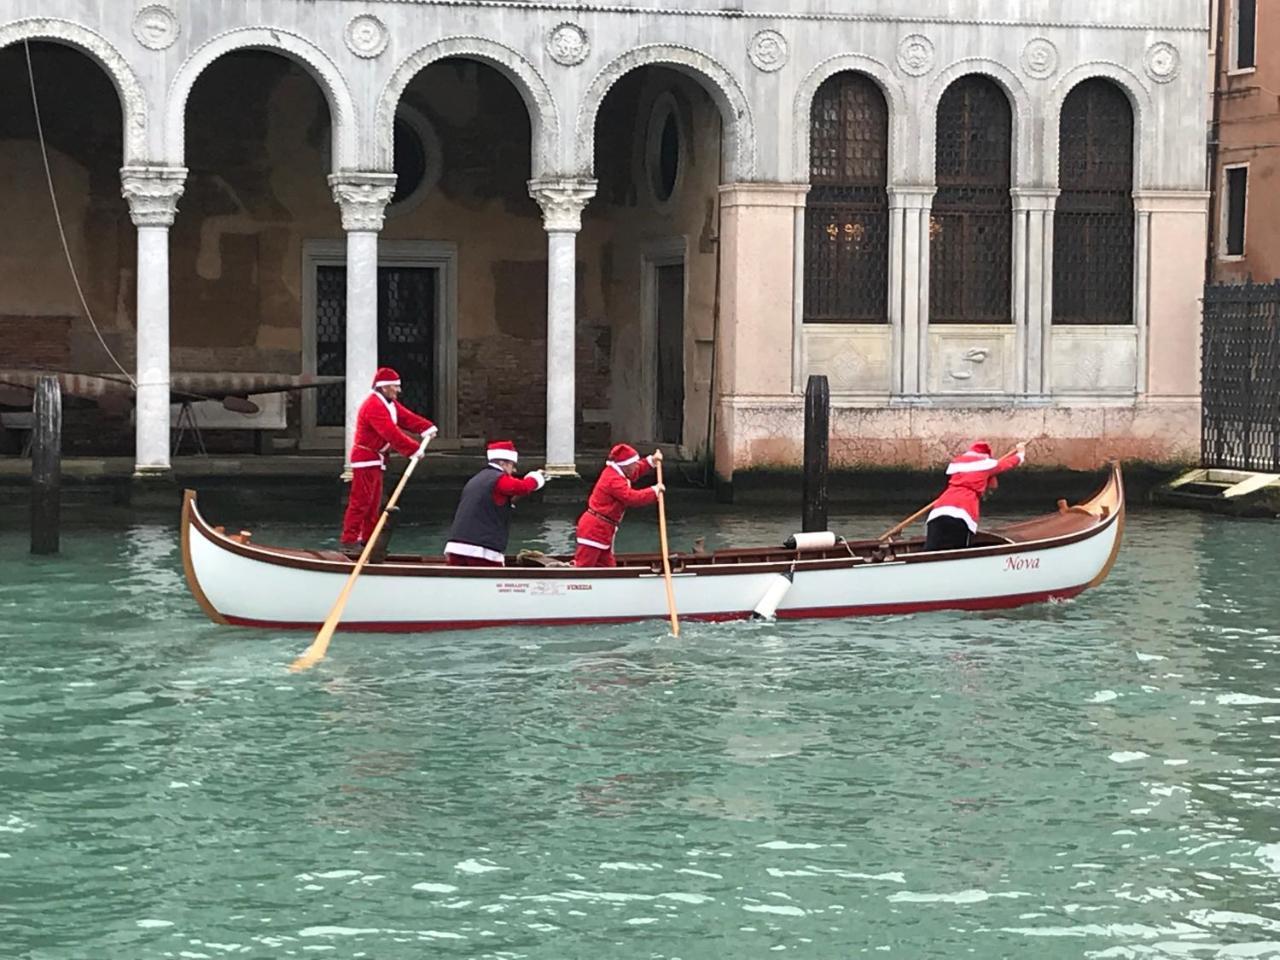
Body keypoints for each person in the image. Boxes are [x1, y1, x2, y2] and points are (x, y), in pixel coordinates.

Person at [340, 366, 436, 556]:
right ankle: (349, 541)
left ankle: (369, 540)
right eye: (395, 387)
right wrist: (413, 449)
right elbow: (389, 432)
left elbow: (406, 418)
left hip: (377, 459)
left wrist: (426, 427)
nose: (399, 391)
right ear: (384, 388)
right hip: (366, 459)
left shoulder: (389, 403)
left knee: (374, 504)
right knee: (361, 502)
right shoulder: (373, 406)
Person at [443, 440, 548, 567]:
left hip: (456, 546)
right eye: (512, 465)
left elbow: (495, 502)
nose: (514, 469)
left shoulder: (476, 479)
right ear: (503, 463)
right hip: (480, 549)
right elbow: (522, 487)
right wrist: (536, 477)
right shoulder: (498, 479)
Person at [924, 440, 1027, 551]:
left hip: (939, 509)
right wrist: (1020, 453)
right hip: (963, 511)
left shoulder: (958, 468)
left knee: (931, 548)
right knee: (958, 551)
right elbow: (1008, 464)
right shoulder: (985, 466)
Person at [574, 443, 665, 568]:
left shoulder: (621, 472)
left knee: (608, 565)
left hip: (604, 528)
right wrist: (654, 491)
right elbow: (631, 498)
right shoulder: (613, 479)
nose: (636, 466)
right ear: (626, 466)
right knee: (585, 565)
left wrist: (651, 462)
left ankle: (611, 584)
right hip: (594, 529)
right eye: (634, 463)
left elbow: (636, 470)